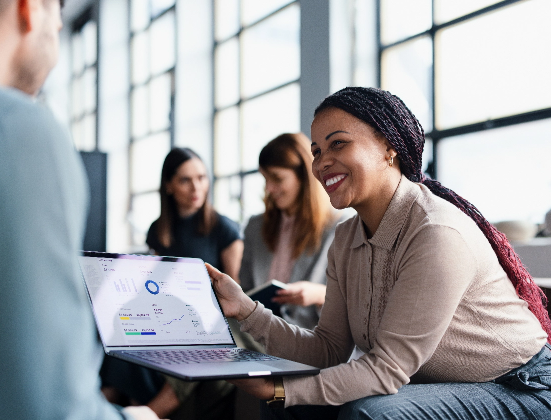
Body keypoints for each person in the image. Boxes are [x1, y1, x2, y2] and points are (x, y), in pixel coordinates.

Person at [205, 87, 551, 420]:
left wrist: (279, 388)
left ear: (388, 146)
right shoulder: (346, 237)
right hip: (443, 385)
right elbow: (328, 349)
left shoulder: (435, 231)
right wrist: (247, 311)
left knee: (368, 412)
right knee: (289, 402)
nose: (322, 162)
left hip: (519, 386)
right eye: (316, 151)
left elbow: (386, 370)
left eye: (338, 143)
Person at [0, 0, 159, 419]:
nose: (57, 27)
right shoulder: (25, 132)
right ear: (29, 10)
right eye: (58, 12)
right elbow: (49, 404)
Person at [104, 147, 243, 419]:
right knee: (122, 324)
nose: (197, 187)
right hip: (168, 311)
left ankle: (147, 412)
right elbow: (156, 282)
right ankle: (106, 404)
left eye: (202, 177)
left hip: (209, 317)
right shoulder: (159, 230)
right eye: (185, 180)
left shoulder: (224, 228)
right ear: (168, 186)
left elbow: (234, 290)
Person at [240, 133, 344, 330]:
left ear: (304, 178)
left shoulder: (340, 228)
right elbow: (245, 289)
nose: (269, 188)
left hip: (310, 340)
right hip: (256, 337)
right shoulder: (255, 227)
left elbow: (356, 306)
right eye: (265, 179)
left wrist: (320, 294)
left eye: (277, 179)